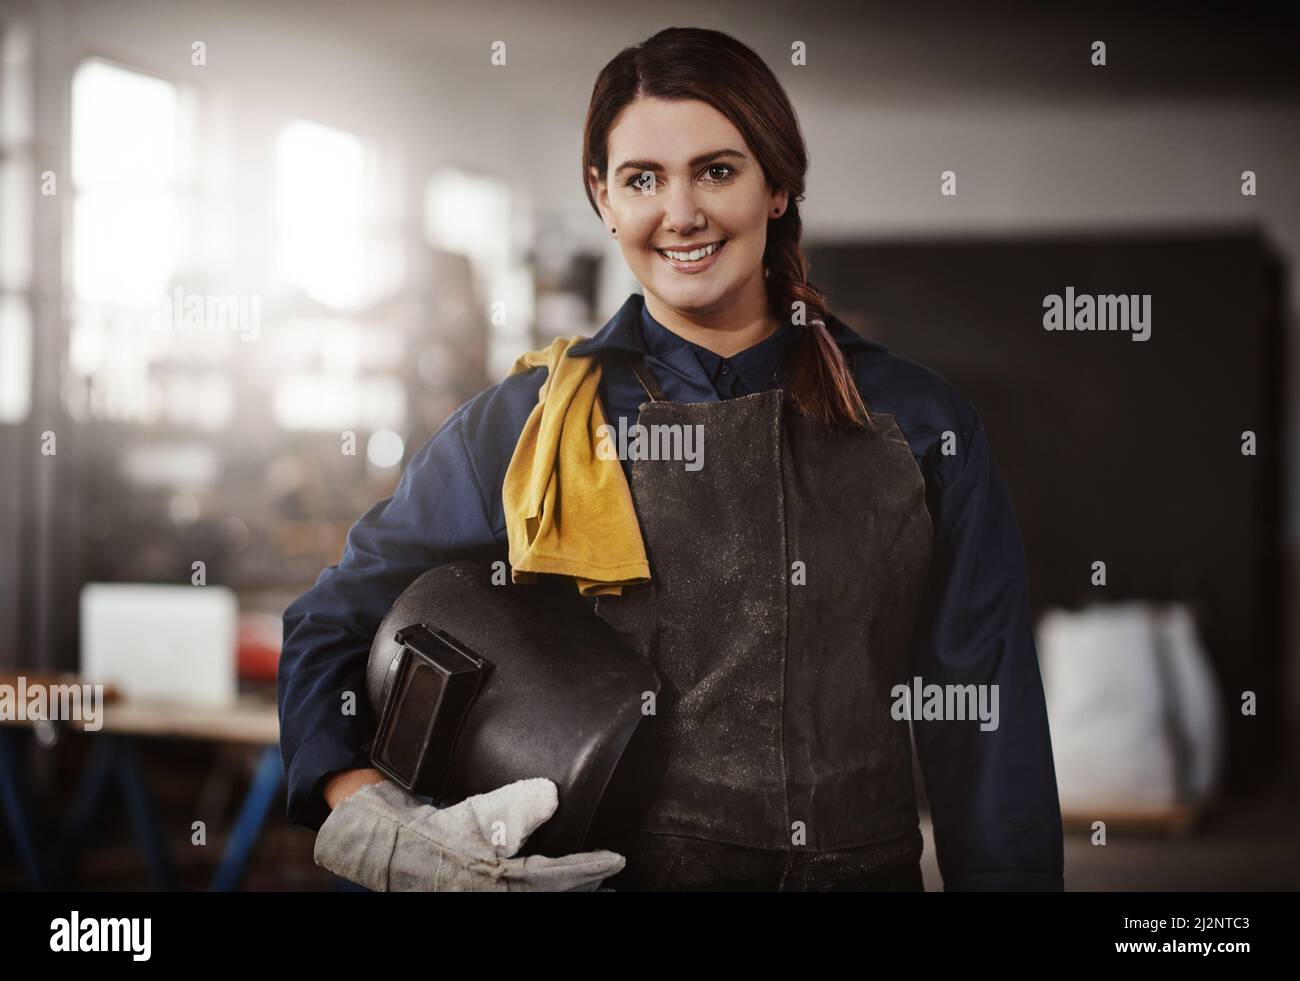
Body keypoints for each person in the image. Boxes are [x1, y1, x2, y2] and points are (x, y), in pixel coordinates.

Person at [278, 26, 1064, 892]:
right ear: (602, 197)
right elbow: (334, 617)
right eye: (642, 178)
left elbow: (984, 719)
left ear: (777, 184)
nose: (679, 212)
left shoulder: (917, 422)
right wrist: (360, 804)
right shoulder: (534, 424)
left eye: (716, 171)